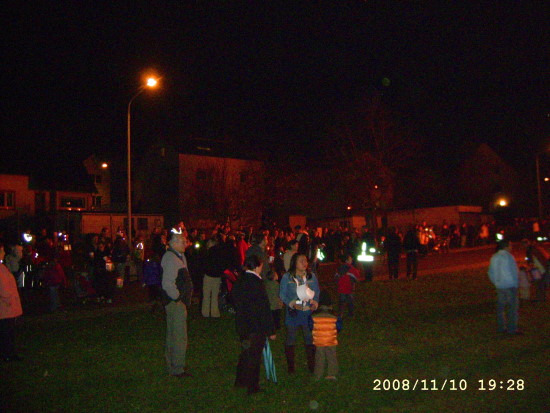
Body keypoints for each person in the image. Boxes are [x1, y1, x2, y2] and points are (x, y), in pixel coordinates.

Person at [232, 255, 276, 394]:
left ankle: (241, 380)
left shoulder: (241, 280)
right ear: (257, 266)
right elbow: (264, 308)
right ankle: (253, 386)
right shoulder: (257, 283)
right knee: (254, 356)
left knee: (246, 353)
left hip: (243, 324)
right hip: (256, 326)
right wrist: (270, 330)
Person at [279, 253, 320, 373]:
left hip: (307, 313)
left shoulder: (311, 276)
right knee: (291, 337)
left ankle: (312, 365)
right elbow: (282, 294)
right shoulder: (288, 277)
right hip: (294, 313)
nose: (304, 263)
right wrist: (291, 303)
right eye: (301, 261)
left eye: (305, 260)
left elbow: (316, 292)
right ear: (294, 263)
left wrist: (315, 302)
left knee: (309, 338)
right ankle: (291, 366)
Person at [161, 230, 194, 377]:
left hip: (177, 302)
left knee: (174, 334)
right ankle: (177, 368)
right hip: (175, 303)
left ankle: (173, 365)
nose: (185, 244)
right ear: (174, 243)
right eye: (182, 241)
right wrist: (178, 298)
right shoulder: (171, 258)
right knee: (178, 336)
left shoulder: (179, 256)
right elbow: (168, 283)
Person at [488, 239, 520, 335]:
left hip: (500, 286)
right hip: (510, 285)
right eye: (510, 245)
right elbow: (514, 271)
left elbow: (490, 272)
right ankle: (512, 329)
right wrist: (516, 283)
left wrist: (496, 282)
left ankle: (501, 327)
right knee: (512, 308)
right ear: (506, 247)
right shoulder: (509, 257)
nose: (511, 247)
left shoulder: (494, 257)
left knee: (501, 308)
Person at [309, 290, 342, 380]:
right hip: (331, 339)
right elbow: (339, 327)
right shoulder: (334, 315)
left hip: (319, 340)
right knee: (332, 356)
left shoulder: (314, 315)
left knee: (319, 357)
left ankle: (318, 375)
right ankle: (332, 373)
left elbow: (311, 326)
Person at [0, 243, 23, 362]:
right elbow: (3, 287)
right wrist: (8, 298)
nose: (4, 253)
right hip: (5, 306)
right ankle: (7, 354)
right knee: (7, 332)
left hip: (6, 305)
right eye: (2, 251)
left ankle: (9, 353)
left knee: (8, 331)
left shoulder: (2, 267)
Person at [335, 254, 359, 318]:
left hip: (341, 288)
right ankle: (351, 314)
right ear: (347, 260)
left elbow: (336, 277)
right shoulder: (352, 268)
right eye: (350, 259)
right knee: (350, 301)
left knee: (341, 302)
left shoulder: (339, 268)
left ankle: (340, 314)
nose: (352, 260)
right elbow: (356, 276)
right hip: (349, 288)